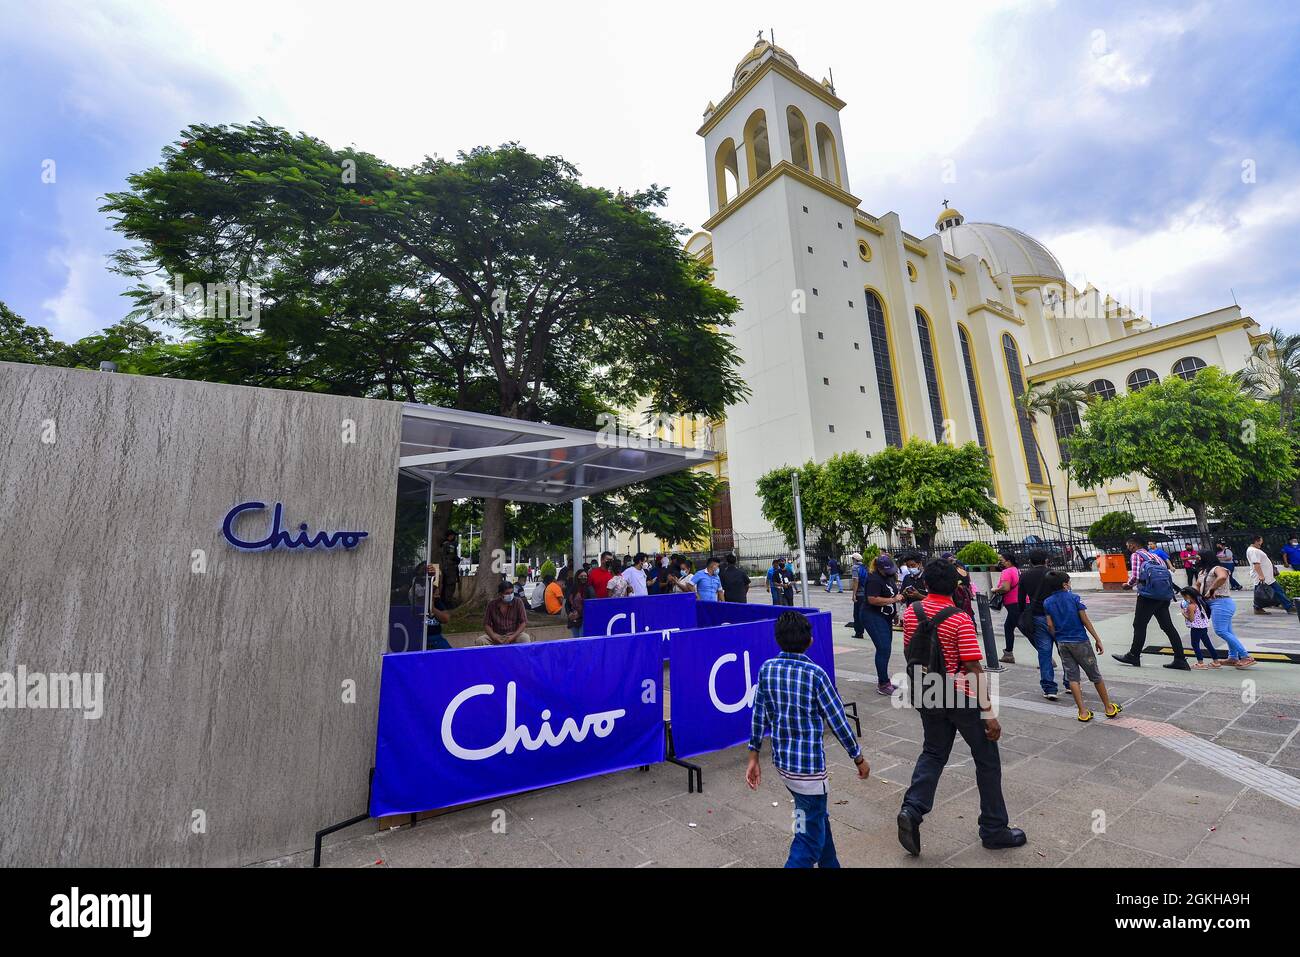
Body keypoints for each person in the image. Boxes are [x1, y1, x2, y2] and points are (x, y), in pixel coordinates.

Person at [897, 559, 1025, 856]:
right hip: (961, 697)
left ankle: (912, 810)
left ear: (925, 584)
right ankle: (994, 829)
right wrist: (988, 712)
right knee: (987, 759)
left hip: (928, 691)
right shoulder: (959, 618)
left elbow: (909, 651)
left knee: (933, 753)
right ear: (956, 586)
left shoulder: (912, 613)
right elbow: (972, 667)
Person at [745, 611, 869, 868]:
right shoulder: (815, 675)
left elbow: (759, 715)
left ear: (778, 639)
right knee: (807, 840)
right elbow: (838, 722)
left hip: (785, 766)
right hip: (809, 772)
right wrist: (858, 758)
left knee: (816, 820)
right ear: (810, 640)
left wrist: (753, 756)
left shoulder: (767, 669)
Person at [1042, 572, 1122, 722]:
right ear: (1065, 585)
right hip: (1080, 641)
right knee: (1095, 675)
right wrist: (1097, 639)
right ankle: (1108, 708)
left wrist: (1058, 636)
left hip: (1062, 643)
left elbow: (1050, 625)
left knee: (1072, 678)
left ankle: (1083, 712)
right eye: (1069, 582)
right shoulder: (1074, 598)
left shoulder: (1047, 602)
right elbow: (1085, 620)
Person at [1112, 536, 1189, 670]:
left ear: (1132, 546)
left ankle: (1133, 655)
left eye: (1128, 546)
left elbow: (1135, 576)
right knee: (1168, 627)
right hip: (1163, 595)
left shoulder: (1136, 555)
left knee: (1139, 625)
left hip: (1148, 596)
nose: (1128, 549)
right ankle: (1180, 659)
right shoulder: (1156, 557)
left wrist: (1127, 585)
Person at [1194, 549, 1256, 668]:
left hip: (1221, 602)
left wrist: (1211, 589)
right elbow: (1197, 585)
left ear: (1205, 557)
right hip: (1212, 604)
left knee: (1221, 631)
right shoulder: (1202, 572)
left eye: (1199, 557)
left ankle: (1246, 656)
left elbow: (1222, 577)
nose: (1197, 560)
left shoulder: (1218, 568)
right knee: (1228, 631)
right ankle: (1233, 657)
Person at [1015, 550, 1059, 700]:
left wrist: (1023, 613)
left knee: (1044, 651)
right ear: (1046, 560)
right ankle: (1070, 683)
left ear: (1030, 561)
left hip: (1038, 616)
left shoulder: (1025, 576)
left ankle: (1049, 687)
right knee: (1064, 650)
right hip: (1056, 616)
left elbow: (1020, 598)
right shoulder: (1054, 574)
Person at [862, 554, 903, 695]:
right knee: (883, 648)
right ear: (879, 568)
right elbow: (873, 599)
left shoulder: (889, 577)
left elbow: (892, 594)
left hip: (885, 616)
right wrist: (894, 600)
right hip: (873, 616)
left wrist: (895, 613)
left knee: (886, 648)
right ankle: (883, 683)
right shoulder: (873, 579)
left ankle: (885, 680)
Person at [1247, 534, 1293, 614]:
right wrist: (1261, 576)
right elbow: (1256, 564)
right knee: (1277, 591)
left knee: (1261, 592)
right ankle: (1288, 606)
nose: (1261, 543)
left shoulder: (1254, 550)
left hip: (1267, 577)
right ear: (1256, 541)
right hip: (1263, 577)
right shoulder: (1253, 551)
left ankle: (1257, 608)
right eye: (1261, 541)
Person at [477, 580, 531, 646]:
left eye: (511, 592)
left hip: (513, 634)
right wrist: (494, 637)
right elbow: (486, 624)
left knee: (525, 638)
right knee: (480, 641)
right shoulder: (492, 605)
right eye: (507, 593)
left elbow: (524, 622)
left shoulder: (518, 602)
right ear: (500, 594)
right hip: (497, 635)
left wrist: (512, 636)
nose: (510, 595)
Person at [1178, 586, 1221, 669]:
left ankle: (1200, 662)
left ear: (1188, 596)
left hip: (1196, 628)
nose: (1184, 599)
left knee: (1195, 644)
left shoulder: (1191, 606)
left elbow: (1191, 619)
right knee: (1208, 644)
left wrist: (1183, 613)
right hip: (1203, 626)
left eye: (1184, 596)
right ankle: (1216, 661)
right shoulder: (1200, 602)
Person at [992, 551, 1021, 665]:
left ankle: (1047, 657)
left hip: (1013, 603)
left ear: (1008, 562)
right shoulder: (1016, 570)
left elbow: (1005, 588)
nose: (1000, 563)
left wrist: (995, 590)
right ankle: (1008, 653)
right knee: (1008, 627)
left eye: (1002, 561)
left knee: (1026, 630)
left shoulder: (1006, 571)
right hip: (1019, 601)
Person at [849, 551, 868, 638]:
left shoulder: (855, 568)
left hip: (859, 593)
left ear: (854, 559)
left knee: (856, 614)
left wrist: (854, 594)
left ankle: (859, 633)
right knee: (863, 612)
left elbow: (855, 581)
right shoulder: (864, 567)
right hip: (865, 593)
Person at [439, 531, 461, 604]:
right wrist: (457, 559)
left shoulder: (444, 544)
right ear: (450, 536)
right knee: (450, 586)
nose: (454, 537)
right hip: (450, 569)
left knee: (446, 586)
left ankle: (445, 602)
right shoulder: (449, 545)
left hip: (446, 569)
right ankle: (447, 603)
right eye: (453, 535)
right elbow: (452, 556)